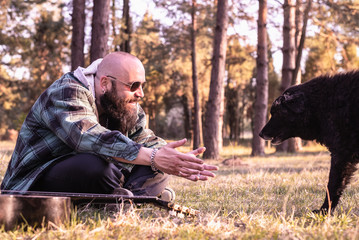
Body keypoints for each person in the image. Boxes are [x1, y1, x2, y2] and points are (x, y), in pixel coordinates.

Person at [0, 52, 218, 201]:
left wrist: (171, 157)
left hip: (98, 175)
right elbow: (87, 137)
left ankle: (126, 200)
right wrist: (152, 156)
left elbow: (145, 139)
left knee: (157, 162)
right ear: (104, 83)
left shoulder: (125, 105)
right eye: (133, 86)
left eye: (142, 86)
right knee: (96, 167)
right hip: (33, 181)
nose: (140, 93)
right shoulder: (66, 91)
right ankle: (137, 196)